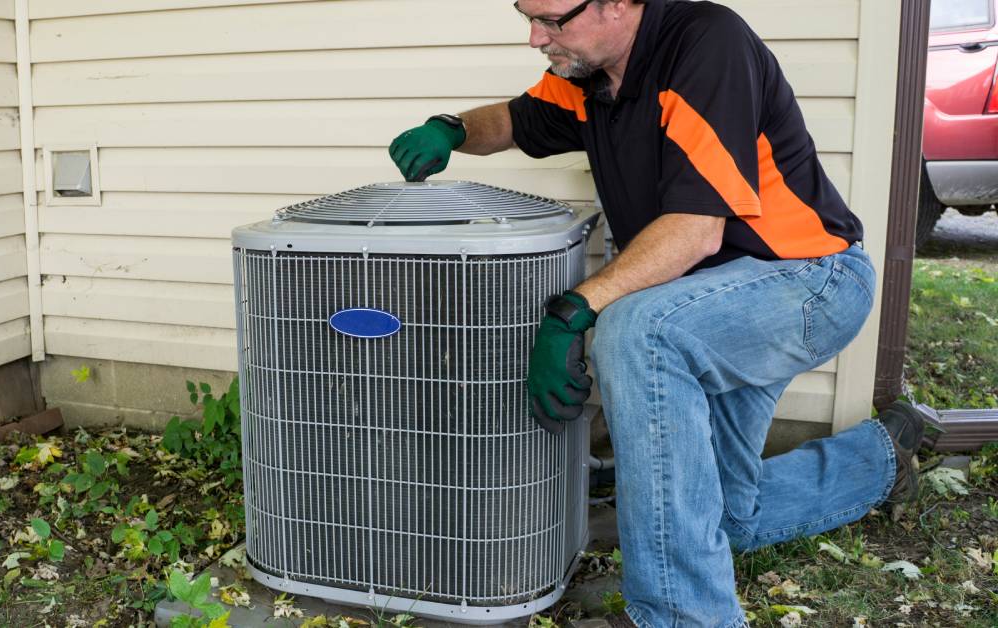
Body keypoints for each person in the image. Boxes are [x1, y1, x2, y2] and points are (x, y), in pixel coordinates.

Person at [387, 0, 925, 626]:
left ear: (618, 4)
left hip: (807, 281)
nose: (536, 37)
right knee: (721, 518)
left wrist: (571, 313)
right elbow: (513, 120)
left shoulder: (705, 45)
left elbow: (695, 231)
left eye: (552, 19)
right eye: (525, 15)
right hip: (709, 302)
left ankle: (683, 616)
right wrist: (451, 128)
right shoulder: (589, 78)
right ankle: (881, 459)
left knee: (636, 332)